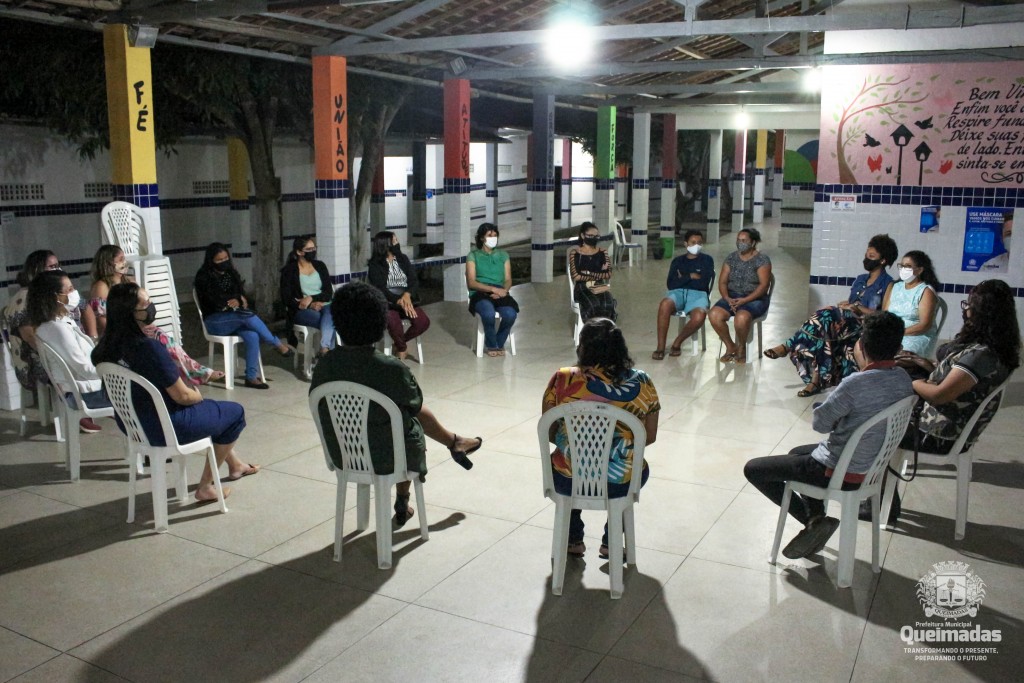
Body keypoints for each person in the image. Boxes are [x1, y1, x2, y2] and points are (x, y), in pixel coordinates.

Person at [743, 311, 914, 559]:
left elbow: (821, 424)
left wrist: (825, 406)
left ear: (861, 345)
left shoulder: (855, 383)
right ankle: (815, 519)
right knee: (796, 453)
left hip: (840, 470)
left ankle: (812, 520)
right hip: (872, 465)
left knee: (754, 469)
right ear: (898, 347)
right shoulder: (902, 378)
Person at [310, 282, 482, 527]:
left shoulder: (324, 366)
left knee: (400, 416)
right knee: (409, 422)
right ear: (380, 324)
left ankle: (455, 443)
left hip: (344, 455)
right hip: (388, 458)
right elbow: (414, 405)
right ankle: (404, 496)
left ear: (337, 322)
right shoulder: (390, 369)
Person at [93, 283, 258, 503]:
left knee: (214, 414)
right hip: (166, 426)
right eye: (146, 304)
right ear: (131, 313)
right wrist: (198, 395)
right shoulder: (149, 348)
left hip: (132, 425)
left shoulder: (103, 350)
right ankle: (205, 487)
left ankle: (235, 465)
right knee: (234, 413)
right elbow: (183, 396)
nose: (151, 306)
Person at [542, 318, 660, 558]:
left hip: (568, 479)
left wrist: (580, 448)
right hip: (620, 481)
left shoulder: (562, 379)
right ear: (620, 347)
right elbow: (648, 437)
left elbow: (548, 431)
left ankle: (573, 539)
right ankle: (611, 542)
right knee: (635, 470)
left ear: (582, 347)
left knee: (568, 466)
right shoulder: (642, 381)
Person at [764, 234, 899, 396]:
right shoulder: (860, 279)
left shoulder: (888, 283)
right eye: (866, 255)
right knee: (823, 328)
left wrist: (859, 308)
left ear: (883, 260)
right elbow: (852, 302)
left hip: (864, 325)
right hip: (846, 321)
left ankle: (789, 346)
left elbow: (885, 315)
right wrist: (847, 305)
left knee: (825, 315)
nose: (866, 259)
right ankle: (815, 380)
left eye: (871, 256)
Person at [194, 242, 293, 389]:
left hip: (235, 318)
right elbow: (213, 300)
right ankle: (276, 343)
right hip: (215, 321)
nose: (224, 262)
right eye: (219, 260)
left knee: (252, 335)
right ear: (211, 261)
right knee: (245, 316)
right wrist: (234, 300)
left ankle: (251, 377)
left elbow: (242, 294)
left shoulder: (230, 273)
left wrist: (238, 299)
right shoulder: (203, 277)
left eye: (226, 258)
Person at [28, 269, 112, 415]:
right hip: (85, 394)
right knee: (144, 392)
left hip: (86, 389)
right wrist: (114, 373)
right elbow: (83, 369)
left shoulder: (56, 323)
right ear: (55, 297)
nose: (75, 293)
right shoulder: (57, 329)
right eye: (70, 290)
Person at [708, 227, 772, 364]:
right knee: (714, 315)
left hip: (755, 298)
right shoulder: (731, 258)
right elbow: (723, 282)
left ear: (753, 242)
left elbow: (763, 286)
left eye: (744, 240)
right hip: (732, 296)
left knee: (741, 318)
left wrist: (745, 300)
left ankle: (742, 348)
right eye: (738, 240)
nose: (740, 243)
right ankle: (731, 346)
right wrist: (727, 298)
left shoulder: (762, 260)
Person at [367, 231, 430, 360]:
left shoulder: (402, 259)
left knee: (422, 322)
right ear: (385, 244)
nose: (397, 243)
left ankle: (398, 344)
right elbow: (381, 289)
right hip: (388, 303)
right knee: (393, 322)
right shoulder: (375, 265)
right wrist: (399, 300)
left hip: (407, 300)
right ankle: (402, 349)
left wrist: (407, 295)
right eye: (394, 241)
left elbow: (413, 280)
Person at [652, 229, 714, 359]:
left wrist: (682, 278)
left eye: (699, 243)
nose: (696, 245)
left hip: (698, 295)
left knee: (699, 315)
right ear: (686, 244)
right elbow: (671, 284)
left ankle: (677, 342)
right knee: (665, 304)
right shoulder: (677, 261)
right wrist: (690, 276)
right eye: (693, 242)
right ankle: (660, 347)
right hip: (677, 293)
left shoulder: (707, 260)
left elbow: (703, 283)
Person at [466, 223, 518, 357]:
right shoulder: (473, 255)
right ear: (482, 238)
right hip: (480, 291)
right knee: (488, 313)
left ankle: (498, 342)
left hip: (500, 291)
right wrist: (492, 289)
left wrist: (503, 291)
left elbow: (508, 279)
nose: (493, 238)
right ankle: (491, 344)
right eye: (489, 235)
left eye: (495, 235)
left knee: (511, 314)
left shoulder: (503, 255)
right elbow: (471, 282)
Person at [280, 235, 337, 359]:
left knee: (331, 313)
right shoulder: (289, 271)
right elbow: (287, 298)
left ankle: (324, 348)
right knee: (330, 321)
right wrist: (310, 305)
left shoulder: (320, 266)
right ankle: (328, 354)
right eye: (309, 249)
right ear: (299, 252)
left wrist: (311, 298)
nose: (313, 251)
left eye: (314, 248)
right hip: (302, 311)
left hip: (325, 305)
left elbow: (328, 293)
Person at [882, 250, 939, 358]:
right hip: (892, 334)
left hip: (917, 336)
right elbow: (885, 314)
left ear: (920, 270)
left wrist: (899, 333)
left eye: (908, 266)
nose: (903, 269)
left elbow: (924, 325)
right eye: (901, 266)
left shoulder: (925, 291)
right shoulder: (895, 287)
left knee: (901, 355)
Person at [568, 221, 617, 322]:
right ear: (582, 235)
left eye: (596, 236)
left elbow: (608, 274)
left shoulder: (602, 252)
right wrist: (599, 274)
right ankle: (592, 328)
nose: (594, 238)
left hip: (599, 285)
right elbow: (576, 276)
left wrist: (588, 273)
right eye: (590, 236)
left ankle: (605, 327)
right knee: (594, 304)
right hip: (582, 287)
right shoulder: (575, 253)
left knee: (607, 304)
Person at [87, 244, 131, 338]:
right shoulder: (101, 287)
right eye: (121, 259)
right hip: (113, 335)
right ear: (109, 263)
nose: (124, 262)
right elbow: (102, 322)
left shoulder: (129, 281)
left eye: (124, 259)